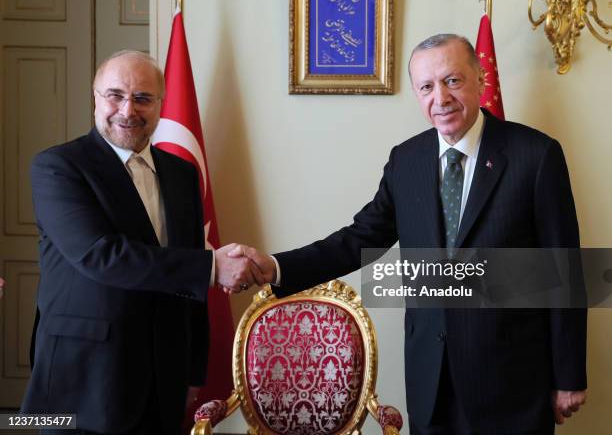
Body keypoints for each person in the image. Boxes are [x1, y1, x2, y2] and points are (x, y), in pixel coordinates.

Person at [227, 35, 587, 434]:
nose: (441, 98)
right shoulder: (406, 160)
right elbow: (359, 238)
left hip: (512, 382)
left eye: (452, 80)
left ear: (480, 79)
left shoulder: (535, 156)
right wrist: (277, 266)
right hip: (431, 381)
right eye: (427, 87)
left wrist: (568, 375)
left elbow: (564, 271)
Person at [22, 51, 260, 435]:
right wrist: (213, 267)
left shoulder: (182, 174)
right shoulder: (58, 167)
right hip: (81, 378)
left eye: (143, 98)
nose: (127, 110)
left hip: (162, 378)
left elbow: (188, 283)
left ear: (161, 105)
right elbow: (101, 255)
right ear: (95, 98)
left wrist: (194, 368)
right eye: (114, 95)